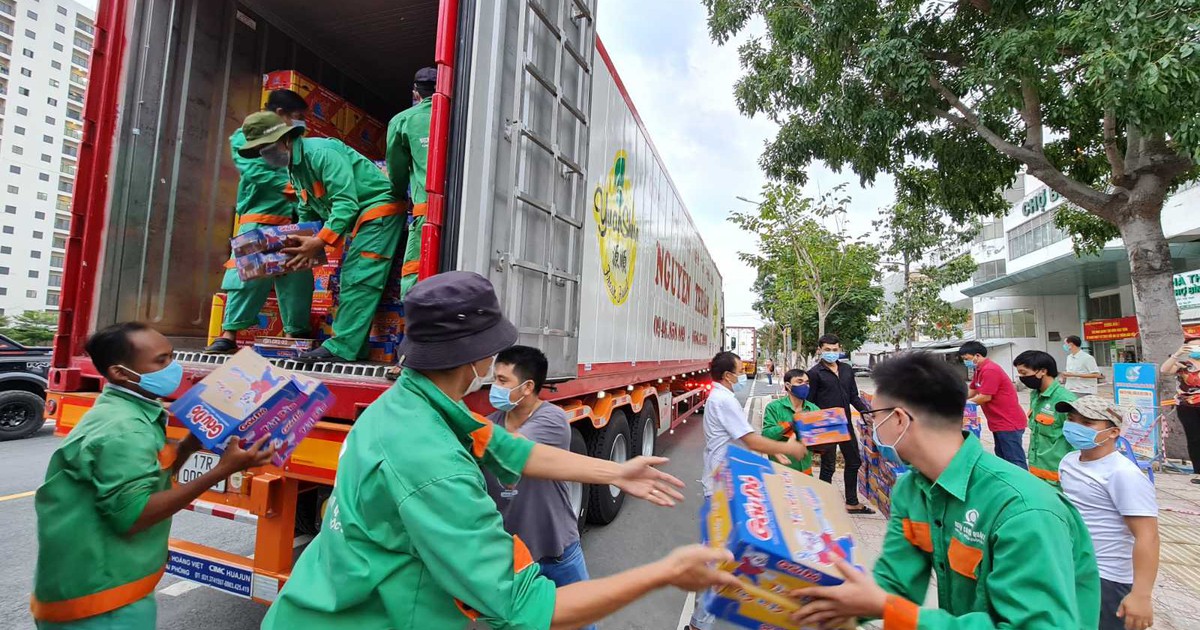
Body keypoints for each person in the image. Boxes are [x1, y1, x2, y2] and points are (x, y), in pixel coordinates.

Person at [261, 271, 738, 629]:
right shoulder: (435, 466)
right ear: (479, 356)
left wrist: (613, 473)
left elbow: (511, 451)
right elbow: (524, 607)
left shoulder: (411, 403)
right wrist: (666, 572)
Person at [789, 352, 1100, 629]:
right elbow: (896, 580)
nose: (871, 428)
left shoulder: (1024, 510)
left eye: (873, 417)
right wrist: (821, 604)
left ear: (899, 419)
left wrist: (893, 612)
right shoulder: (913, 489)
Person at [32, 323, 272, 629]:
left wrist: (188, 445)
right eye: (161, 361)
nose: (174, 368)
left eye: (172, 356)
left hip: (103, 592)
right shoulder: (125, 430)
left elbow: (149, 472)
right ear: (121, 373)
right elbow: (133, 516)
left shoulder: (127, 409)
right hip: (100, 606)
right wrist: (222, 471)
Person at [238, 111, 405, 363]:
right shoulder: (295, 169)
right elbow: (307, 208)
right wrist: (298, 239)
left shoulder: (321, 153)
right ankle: (351, 347)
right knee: (337, 276)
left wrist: (319, 242)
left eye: (266, 147)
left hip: (378, 210)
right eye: (259, 150)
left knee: (359, 277)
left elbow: (345, 203)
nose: (264, 154)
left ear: (284, 140)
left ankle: (342, 348)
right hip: (358, 217)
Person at [686, 350, 810, 630]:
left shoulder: (720, 397)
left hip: (726, 481)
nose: (742, 374)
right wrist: (787, 448)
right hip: (721, 486)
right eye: (739, 370)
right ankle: (699, 624)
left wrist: (770, 456)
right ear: (728, 376)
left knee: (729, 553)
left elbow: (740, 441)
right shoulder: (724, 400)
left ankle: (707, 620)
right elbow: (752, 440)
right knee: (719, 558)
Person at [482, 345, 597, 630]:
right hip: (514, 559)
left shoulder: (552, 419)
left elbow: (510, 450)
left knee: (581, 622)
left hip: (557, 551)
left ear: (527, 387)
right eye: (494, 378)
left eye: (502, 380)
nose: (494, 387)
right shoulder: (491, 423)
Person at [205, 90, 315, 353]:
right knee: (248, 276)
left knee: (298, 278)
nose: (301, 123)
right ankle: (229, 335)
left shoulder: (295, 138)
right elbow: (254, 171)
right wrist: (294, 187)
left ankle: (296, 336)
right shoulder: (245, 138)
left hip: (293, 220)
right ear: (279, 114)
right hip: (259, 218)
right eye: (297, 116)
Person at [1057, 396, 1159, 630]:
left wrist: (1141, 594)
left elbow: (1147, 536)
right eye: (1071, 420)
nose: (1074, 427)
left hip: (1108, 578)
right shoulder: (1069, 461)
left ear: (1113, 433)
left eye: (1087, 423)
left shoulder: (1123, 474)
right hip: (1074, 566)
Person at [806, 334, 873, 514]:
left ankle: (851, 502)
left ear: (840, 349)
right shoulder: (814, 374)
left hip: (845, 423)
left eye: (835, 350)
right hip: (826, 424)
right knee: (827, 466)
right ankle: (822, 504)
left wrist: (865, 411)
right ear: (820, 350)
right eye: (827, 350)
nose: (831, 353)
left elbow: (853, 395)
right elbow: (809, 403)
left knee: (854, 461)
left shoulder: (846, 370)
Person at [386, 67, 436, 299]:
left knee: (416, 273)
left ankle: (416, 329)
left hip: (427, 211)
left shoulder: (403, 120)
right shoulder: (463, 114)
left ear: (415, 93)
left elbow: (396, 170)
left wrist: (398, 195)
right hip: (465, 209)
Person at [960, 341, 1029, 469]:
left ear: (977, 355)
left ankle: (1023, 486)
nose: (965, 362)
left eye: (966, 359)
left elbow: (985, 396)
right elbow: (973, 390)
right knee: (1002, 458)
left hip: (1008, 422)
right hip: (997, 422)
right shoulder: (979, 370)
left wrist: (964, 405)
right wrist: (956, 399)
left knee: (1014, 461)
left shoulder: (990, 370)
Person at [1015, 349, 1078, 487]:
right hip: (1037, 472)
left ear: (1042, 371)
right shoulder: (1035, 395)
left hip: (1059, 477)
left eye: (1024, 373)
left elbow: (1077, 442)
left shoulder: (1065, 400)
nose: (1021, 377)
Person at [1161, 332, 1200, 485]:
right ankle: (1198, 472)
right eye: (1194, 345)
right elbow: (1164, 370)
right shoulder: (1182, 364)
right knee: (1195, 438)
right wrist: (1176, 355)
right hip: (1187, 407)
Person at [761, 369, 817, 474]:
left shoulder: (814, 409)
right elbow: (767, 435)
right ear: (788, 385)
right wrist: (791, 424)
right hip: (779, 470)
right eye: (799, 382)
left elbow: (820, 441)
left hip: (805, 472)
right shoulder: (774, 408)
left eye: (807, 383)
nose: (805, 386)